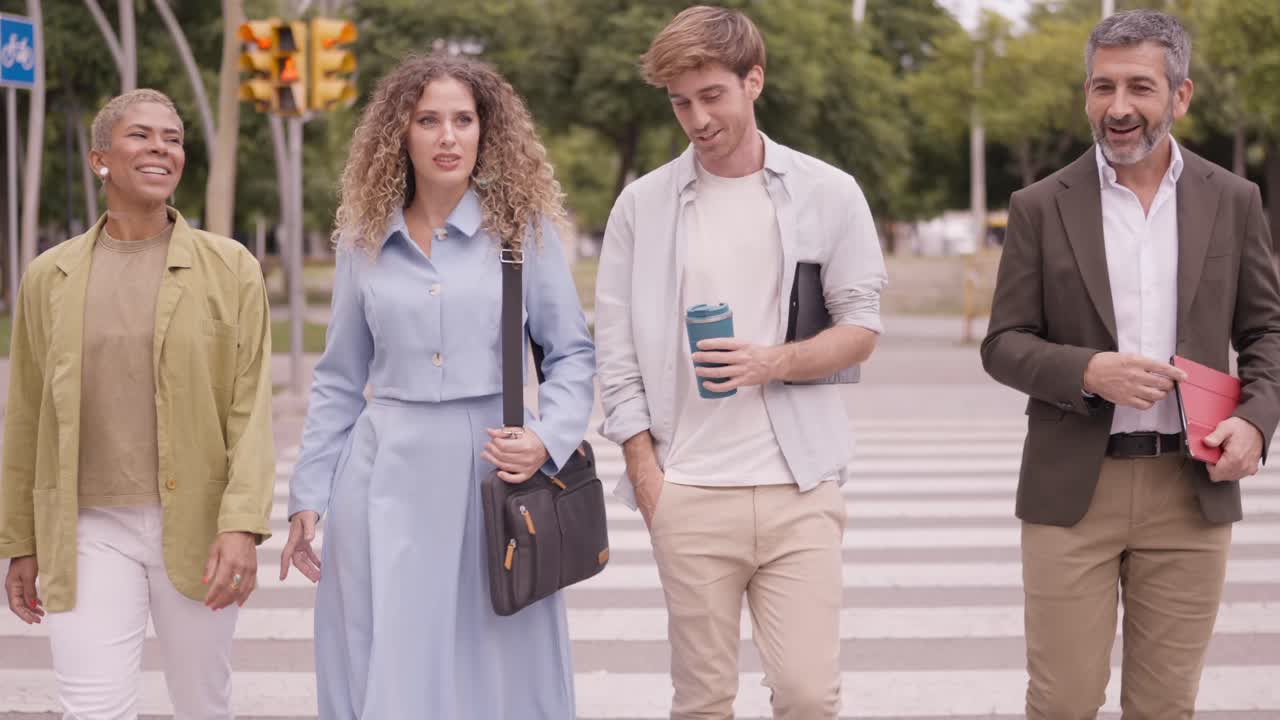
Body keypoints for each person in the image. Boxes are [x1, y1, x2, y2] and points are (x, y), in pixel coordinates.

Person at [981, 10, 1280, 718]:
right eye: (1102, 87)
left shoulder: (1233, 200)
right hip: (1071, 494)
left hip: (1190, 490)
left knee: (1165, 705)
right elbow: (1003, 342)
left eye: (1140, 87)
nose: (1118, 107)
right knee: (1062, 702)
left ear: (1180, 95)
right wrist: (1086, 371)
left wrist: (1256, 422)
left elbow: (1266, 331)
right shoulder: (1038, 205)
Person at [279, 54, 595, 719]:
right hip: (381, 475)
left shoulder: (522, 233)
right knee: (390, 655)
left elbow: (570, 355)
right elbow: (339, 378)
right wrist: (308, 495)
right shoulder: (363, 241)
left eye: (463, 120)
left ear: (485, 131)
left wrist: (546, 439)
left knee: (495, 664)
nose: (447, 136)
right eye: (428, 120)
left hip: (492, 473)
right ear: (401, 132)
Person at [594, 6, 887, 719]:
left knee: (809, 696)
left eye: (712, 96)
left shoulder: (828, 192)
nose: (697, 119)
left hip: (799, 488)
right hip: (689, 488)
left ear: (753, 80)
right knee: (702, 701)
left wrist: (771, 362)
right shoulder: (642, 206)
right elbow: (616, 353)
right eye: (680, 103)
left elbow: (861, 328)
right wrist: (648, 478)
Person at [0, 88, 275, 719]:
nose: (160, 148)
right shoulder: (48, 276)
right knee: (91, 707)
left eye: (172, 138)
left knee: (202, 704)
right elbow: (27, 417)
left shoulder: (230, 267)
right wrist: (20, 541)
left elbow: (250, 407)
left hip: (199, 525)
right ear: (100, 159)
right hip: (87, 526)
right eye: (141, 135)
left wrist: (241, 524)